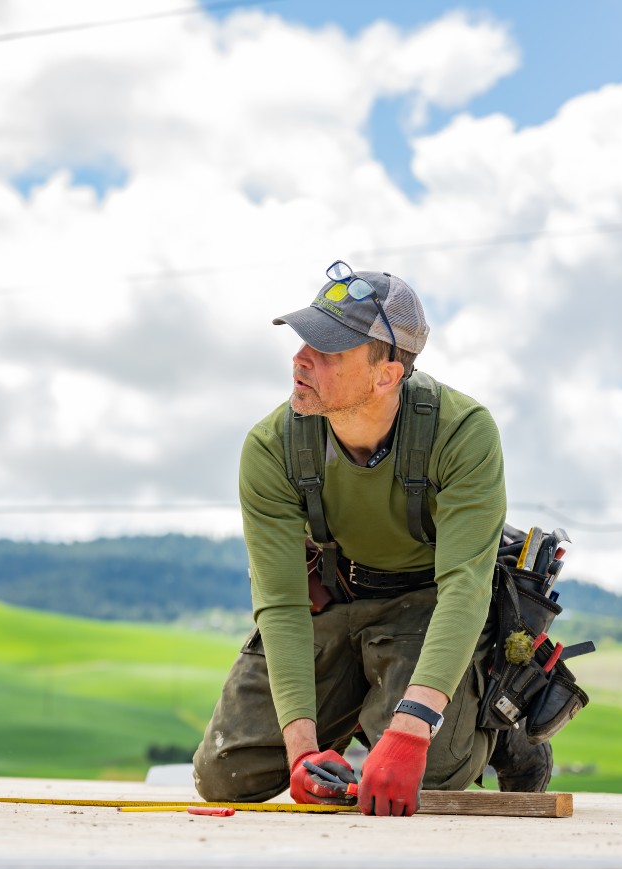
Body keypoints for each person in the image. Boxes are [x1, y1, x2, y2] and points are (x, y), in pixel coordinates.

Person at [192, 261, 551, 816]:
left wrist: (410, 734)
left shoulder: (462, 431)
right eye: (304, 340)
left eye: (328, 350)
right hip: (334, 605)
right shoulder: (271, 448)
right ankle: (367, 705)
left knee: (430, 775)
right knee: (225, 773)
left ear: (386, 374)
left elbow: (465, 589)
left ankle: (502, 728)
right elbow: (283, 605)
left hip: (427, 608)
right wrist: (302, 754)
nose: (299, 359)